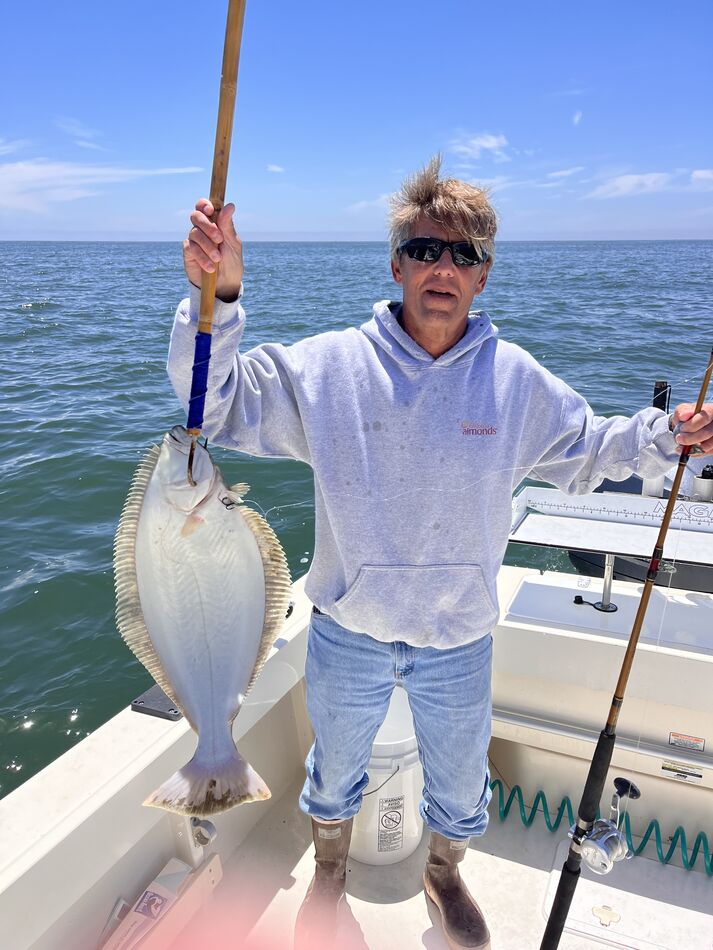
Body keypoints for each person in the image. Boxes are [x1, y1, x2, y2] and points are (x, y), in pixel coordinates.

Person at [168, 157, 713, 950]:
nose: (442, 268)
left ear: (485, 277)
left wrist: (670, 435)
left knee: (460, 788)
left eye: (464, 255)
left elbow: (592, 449)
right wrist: (215, 296)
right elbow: (209, 408)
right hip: (348, 629)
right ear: (396, 264)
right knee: (333, 774)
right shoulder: (328, 369)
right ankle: (328, 874)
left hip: (459, 636)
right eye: (425, 250)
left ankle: (444, 871)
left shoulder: (516, 381)